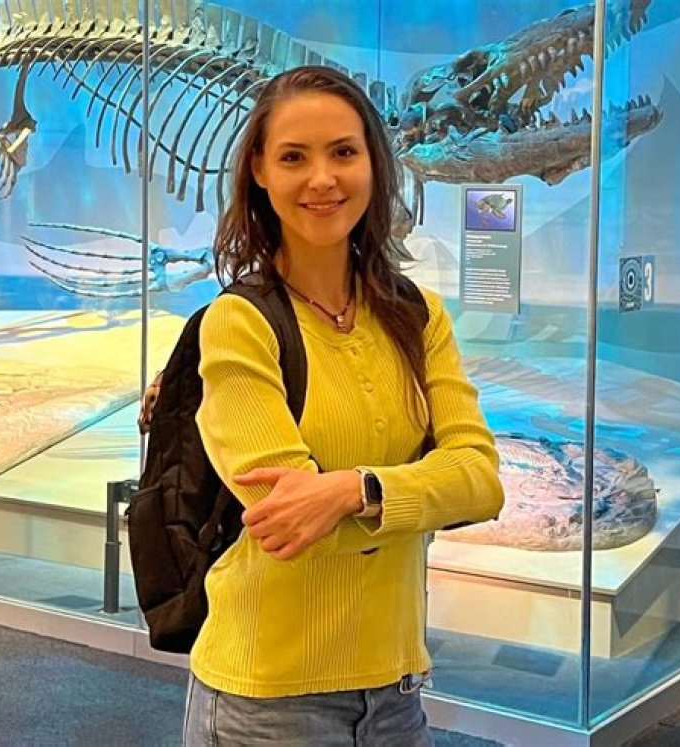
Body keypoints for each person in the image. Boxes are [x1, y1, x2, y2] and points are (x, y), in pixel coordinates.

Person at [182, 65, 504, 746]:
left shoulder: (419, 316)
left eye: (344, 152)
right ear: (259, 171)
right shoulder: (239, 324)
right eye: (294, 157)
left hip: (397, 689)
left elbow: (481, 479)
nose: (323, 179)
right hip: (270, 701)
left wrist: (353, 490)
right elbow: (292, 525)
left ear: (374, 164)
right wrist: (420, 494)